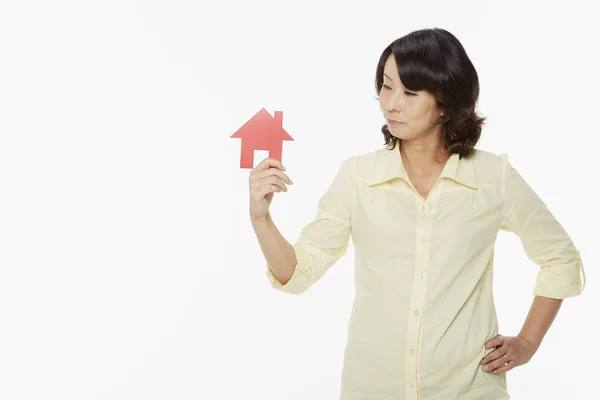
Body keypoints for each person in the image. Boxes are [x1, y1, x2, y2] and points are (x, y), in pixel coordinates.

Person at [248, 28, 586, 400]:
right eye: (386, 86)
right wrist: (261, 217)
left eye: (409, 93)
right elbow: (298, 272)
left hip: (468, 390)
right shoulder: (358, 177)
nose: (391, 103)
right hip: (373, 389)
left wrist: (527, 342)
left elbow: (560, 258)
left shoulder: (493, 179)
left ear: (445, 102)